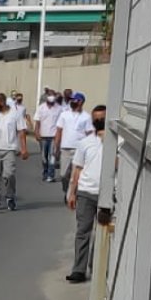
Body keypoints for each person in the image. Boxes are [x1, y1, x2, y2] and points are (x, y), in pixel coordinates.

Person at [67, 106, 107, 283]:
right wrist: (72, 192)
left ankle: (97, 268)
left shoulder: (120, 142)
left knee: (103, 234)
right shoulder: (85, 143)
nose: (99, 121)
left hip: (107, 194)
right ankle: (79, 269)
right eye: (96, 118)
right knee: (83, 232)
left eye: (102, 118)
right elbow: (78, 168)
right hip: (85, 192)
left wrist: (109, 143)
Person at [0, 92, 30, 211]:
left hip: (9, 149)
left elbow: (21, 131)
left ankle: (10, 196)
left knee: (9, 174)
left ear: (2, 102)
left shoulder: (15, 114)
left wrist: (24, 148)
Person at [54, 92, 94, 197]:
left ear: (80, 102)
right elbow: (59, 130)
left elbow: (89, 133)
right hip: (66, 148)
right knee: (63, 175)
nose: (72, 101)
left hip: (79, 149)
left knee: (75, 174)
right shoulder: (64, 114)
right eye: (72, 100)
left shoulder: (86, 117)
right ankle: (66, 189)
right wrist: (56, 147)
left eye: (75, 100)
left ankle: (71, 195)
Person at [33, 91, 63, 182]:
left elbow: (62, 124)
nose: (51, 98)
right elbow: (37, 122)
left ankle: (51, 175)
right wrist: (36, 133)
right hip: (43, 136)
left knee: (52, 157)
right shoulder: (41, 108)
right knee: (44, 157)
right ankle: (45, 173)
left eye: (53, 96)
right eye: (50, 96)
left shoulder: (59, 108)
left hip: (54, 136)